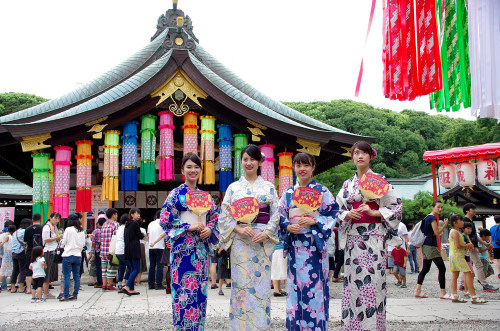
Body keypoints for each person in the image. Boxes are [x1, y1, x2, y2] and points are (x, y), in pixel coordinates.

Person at [336, 141, 402, 331]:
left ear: (371, 156)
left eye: (364, 153)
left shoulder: (380, 180)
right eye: (356, 153)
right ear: (352, 157)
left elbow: (396, 206)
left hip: (374, 239)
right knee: (352, 284)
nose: (360, 156)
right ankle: (352, 326)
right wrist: (347, 214)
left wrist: (376, 213)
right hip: (354, 239)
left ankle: (373, 326)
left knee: (372, 282)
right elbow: (337, 210)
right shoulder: (347, 184)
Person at [219, 144, 279, 330]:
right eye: (245, 159)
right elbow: (224, 216)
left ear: (259, 161)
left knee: (260, 287)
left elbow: (276, 213)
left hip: (260, 241)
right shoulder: (233, 188)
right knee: (240, 287)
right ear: (241, 162)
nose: (249, 163)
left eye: (253, 159)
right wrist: (237, 228)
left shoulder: (269, 188)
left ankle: (260, 326)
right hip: (240, 244)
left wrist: (267, 232)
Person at [279, 152, 338, 330]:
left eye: (306, 165)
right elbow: (279, 216)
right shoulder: (289, 193)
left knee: (316, 291)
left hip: (314, 248)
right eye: (298, 165)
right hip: (296, 247)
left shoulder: (322, 191)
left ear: (313, 167)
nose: (302, 169)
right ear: (294, 168)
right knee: (295, 293)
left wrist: (315, 221)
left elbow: (333, 213)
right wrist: (288, 226)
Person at [160, 153, 219, 330]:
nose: (193, 170)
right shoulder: (175, 194)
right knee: (182, 293)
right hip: (182, 252)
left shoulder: (205, 196)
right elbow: (165, 219)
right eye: (189, 167)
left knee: (200, 292)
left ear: (200, 170)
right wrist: (187, 226)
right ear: (182, 170)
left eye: (196, 167)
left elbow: (215, 218)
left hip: (200, 250)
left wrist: (210, 228)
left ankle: (198, 327)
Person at [458, 203, 498, 292]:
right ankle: (484, 284)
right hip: (471, 246)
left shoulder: (470, 221)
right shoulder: (465, 221)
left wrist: (485, 243)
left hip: (472, 245)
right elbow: (464, 235)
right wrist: (469, 244)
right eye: (473, 209)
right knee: (479, 265)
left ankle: (462, 284)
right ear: (467, 210)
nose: (474, 210)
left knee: (468, 265)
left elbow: (475, 236)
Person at [414, 200, 450, 299]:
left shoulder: (427, 218)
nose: (440, 209)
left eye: (441, 207)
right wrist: (445, 225)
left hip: (425, 245)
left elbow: (433, 233)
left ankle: (418, 291)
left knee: (425, 269)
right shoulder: (432, 218)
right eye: (438, 207)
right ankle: (443, 292)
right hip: (430, 246)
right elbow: (437, 232)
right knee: (442, 268)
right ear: (432, 207)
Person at [448, 214, 487, 304]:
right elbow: (458, 245)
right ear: (455, 223)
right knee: (468, 273)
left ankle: (455, 295)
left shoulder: (454, 231)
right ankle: (473, 296)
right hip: (458, 256)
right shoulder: (455, 232)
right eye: (460, 221)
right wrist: (467, 246)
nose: (462, 222)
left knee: (455, 274)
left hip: (453, 255)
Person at [59, 214, 86, 301]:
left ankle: (66, 295)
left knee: (66, 276)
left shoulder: (68, 229)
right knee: (76, 276)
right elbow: (83, 244)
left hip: (68, 255)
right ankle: (75, 294)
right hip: (78, 255)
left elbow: (63, 242)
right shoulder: (81, 230)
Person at [122, 208, 144, 296]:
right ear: (131, 214)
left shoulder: (127, 224)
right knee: (136, 269)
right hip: (135, 248)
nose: (138, 215)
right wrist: (143, 235)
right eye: (136, 213)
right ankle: (127, 286)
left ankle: (131, 288)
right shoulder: (135, 223)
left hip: (128, 248)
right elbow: (139, 235)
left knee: (131, 268)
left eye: (139, 214)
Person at [42, 212, 63, 299]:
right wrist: (57, 237)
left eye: (58, 218)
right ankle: (45, 293)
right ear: (50, 218)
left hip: (53, 251)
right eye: (55, 218)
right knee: (47, 273)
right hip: (48, 251)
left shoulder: (54, 228)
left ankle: (47, 292)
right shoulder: (47, 228)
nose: (57, 220)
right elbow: (46, 240)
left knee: (51, 273)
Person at [99, 208, 120, 291]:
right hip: (111, 250)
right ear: (113, 215)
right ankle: (109, 284)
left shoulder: (104, 224)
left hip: (103, 250)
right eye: (116, 214)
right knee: (111, 267)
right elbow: (115, 238)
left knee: (104, 268)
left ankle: (104, 284)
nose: (117, 216)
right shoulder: (115, 225)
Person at [10, 218, 32, 293]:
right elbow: (26, 241)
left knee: (15, 270)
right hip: (21, 252)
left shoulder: (15, 232)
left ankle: (12, 287)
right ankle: (21, 287)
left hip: (14, 253)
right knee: (23, 269)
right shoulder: (24, 231)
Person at [24, 213, 43, 294]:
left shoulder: (27, 229)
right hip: (39, 251)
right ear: (41, 219)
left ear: (32, 220)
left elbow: (25, 240)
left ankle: (28, 288)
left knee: (28, 269)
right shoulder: (42, 228)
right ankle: (40, 288)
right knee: (40, 269)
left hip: (30, 251)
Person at [148, 209, 165, 290]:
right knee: (159, 266)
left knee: (152, 266)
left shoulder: (151, 223)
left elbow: (148, 236)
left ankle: (150, 284)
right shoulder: (163, 223)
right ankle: (158, 284)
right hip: (160, 246)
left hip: (151, 247)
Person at [91, 215, 106, 288]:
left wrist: (95, 249)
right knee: (106, 266)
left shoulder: (96, 231)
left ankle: (100, 282)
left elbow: (93, 242)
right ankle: (107, 282)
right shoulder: (106, 229)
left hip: (98, 250)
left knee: (98, 267)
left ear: (98, 224)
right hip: (106, 250)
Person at [115, 214, 129, 292]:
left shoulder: (119, 228)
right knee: (131, 267)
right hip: (123, 250)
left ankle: (119, 283)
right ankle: (124, 281)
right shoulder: (125, 228)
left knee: (122, 268)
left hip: (118, 250)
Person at [0, 225, 16, 293]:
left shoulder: (8, 236)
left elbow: (2, 243)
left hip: (7, 254)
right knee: (13, 270)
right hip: (12, 253)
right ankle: (14, 286)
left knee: (3, 270)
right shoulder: (13, 236)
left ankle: (1, 285)